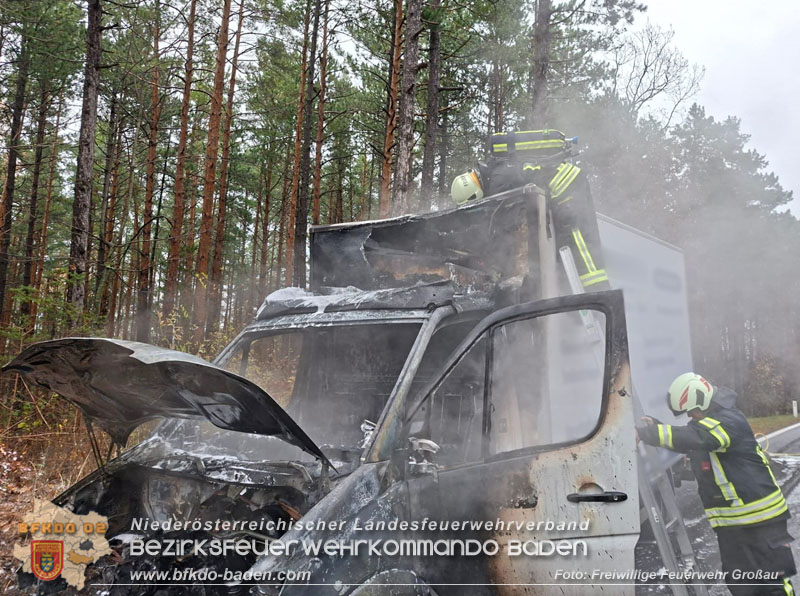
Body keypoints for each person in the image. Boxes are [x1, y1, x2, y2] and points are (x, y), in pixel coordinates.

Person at [637, 372, 796, 595]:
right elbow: (693, 439)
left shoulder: (729, 420)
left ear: (702, 400)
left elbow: (700, 438)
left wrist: (649, 434)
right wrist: (659, 427)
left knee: (771, 586)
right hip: (734, 525)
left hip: (761, 521)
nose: (691, 417)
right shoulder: (707, 424)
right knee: (742, 585)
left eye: (692, 411)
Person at [450, 129, 609, 291]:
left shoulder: (497, 183)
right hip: (567, 180)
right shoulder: (497, 170)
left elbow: (508, 226)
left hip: (565, 185)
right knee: (576, 242)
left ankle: (596, 290)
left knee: (577, 241)